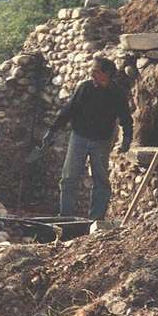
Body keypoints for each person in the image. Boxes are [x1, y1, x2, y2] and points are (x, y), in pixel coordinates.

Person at [43, 57, 133, 220]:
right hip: (79, 138)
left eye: (96, 71)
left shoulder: (117, 94)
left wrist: (127, 138)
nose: (92, 74)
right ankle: (66, 217)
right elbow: (68, 110)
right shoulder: (85, 88)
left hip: (101, 142)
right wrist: (52, 130)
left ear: (107, 74)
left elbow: (126, 118)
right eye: (92, 70)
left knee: (100, 181)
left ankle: (95, 219)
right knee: (69, 177)